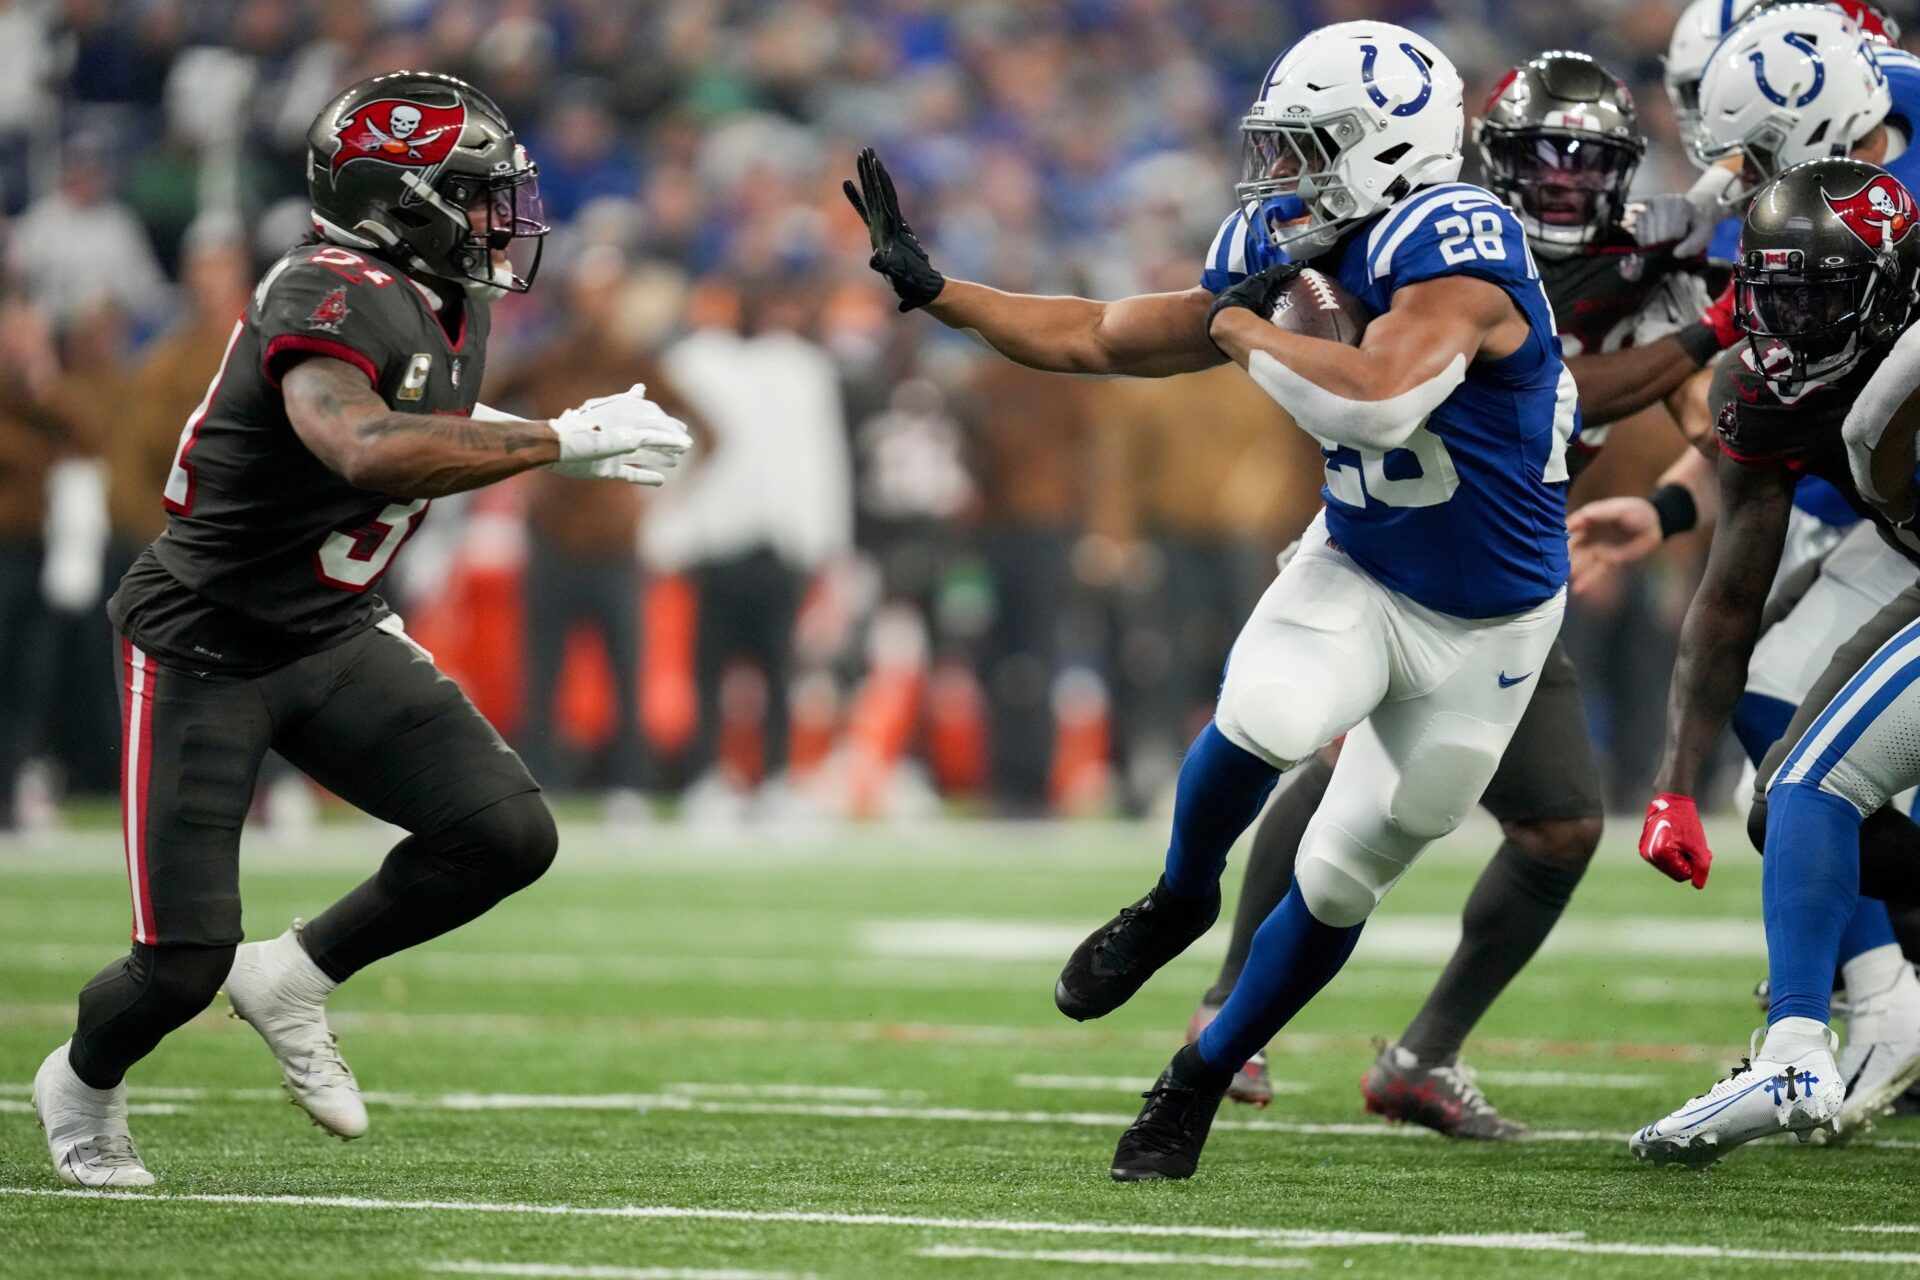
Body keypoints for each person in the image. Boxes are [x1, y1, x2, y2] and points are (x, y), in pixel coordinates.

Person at [849, 21, 1574, 1180]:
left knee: (1343, 876)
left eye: (1309, 147)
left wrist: (1236, 324)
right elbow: (1100, 332)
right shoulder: (1289, 240)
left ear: (1391, 148)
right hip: (1363, 562)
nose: (1281, 175)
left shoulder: (1460, 239)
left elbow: (1383, 400)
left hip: (1496, 621)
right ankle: (1180, 895)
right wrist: (944, 295)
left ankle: (1196, 1077)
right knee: (1269, 716)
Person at [30, 71, 692, 1189]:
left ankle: (293, 974)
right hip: (204, 638)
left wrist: (550, 432)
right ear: (410, 201)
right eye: (482, 196)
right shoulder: (324, 290)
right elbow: (364, 446)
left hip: (330, 628)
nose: (505, 220)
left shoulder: (442, 293)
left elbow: (424, 409)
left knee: (504, 833)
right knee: (178, 966)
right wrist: (558, 442)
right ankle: (82, 1083)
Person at [1185, 50, 1737, 1137]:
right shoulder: (1447, 235)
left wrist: (1681, 488)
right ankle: (1230, 1010)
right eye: (1546, 157)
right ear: (1491, 156)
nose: (1568, 184)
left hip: (1507, 574)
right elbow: (1563, 386)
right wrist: (1704, 331)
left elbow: (1721, 432)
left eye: (1592, 163)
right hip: (1401, 546)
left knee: (1562, 823)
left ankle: (1418, 1056)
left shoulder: (1649, 261)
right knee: (1349, 758)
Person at [1573, 4, 1920, 1133]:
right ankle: (1864, 1011)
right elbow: (1738, 555)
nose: (1730, 180)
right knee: (1798, 758)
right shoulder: (1786, 318)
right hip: (1890, 524)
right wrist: (1670, 780)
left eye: (1752, 157)